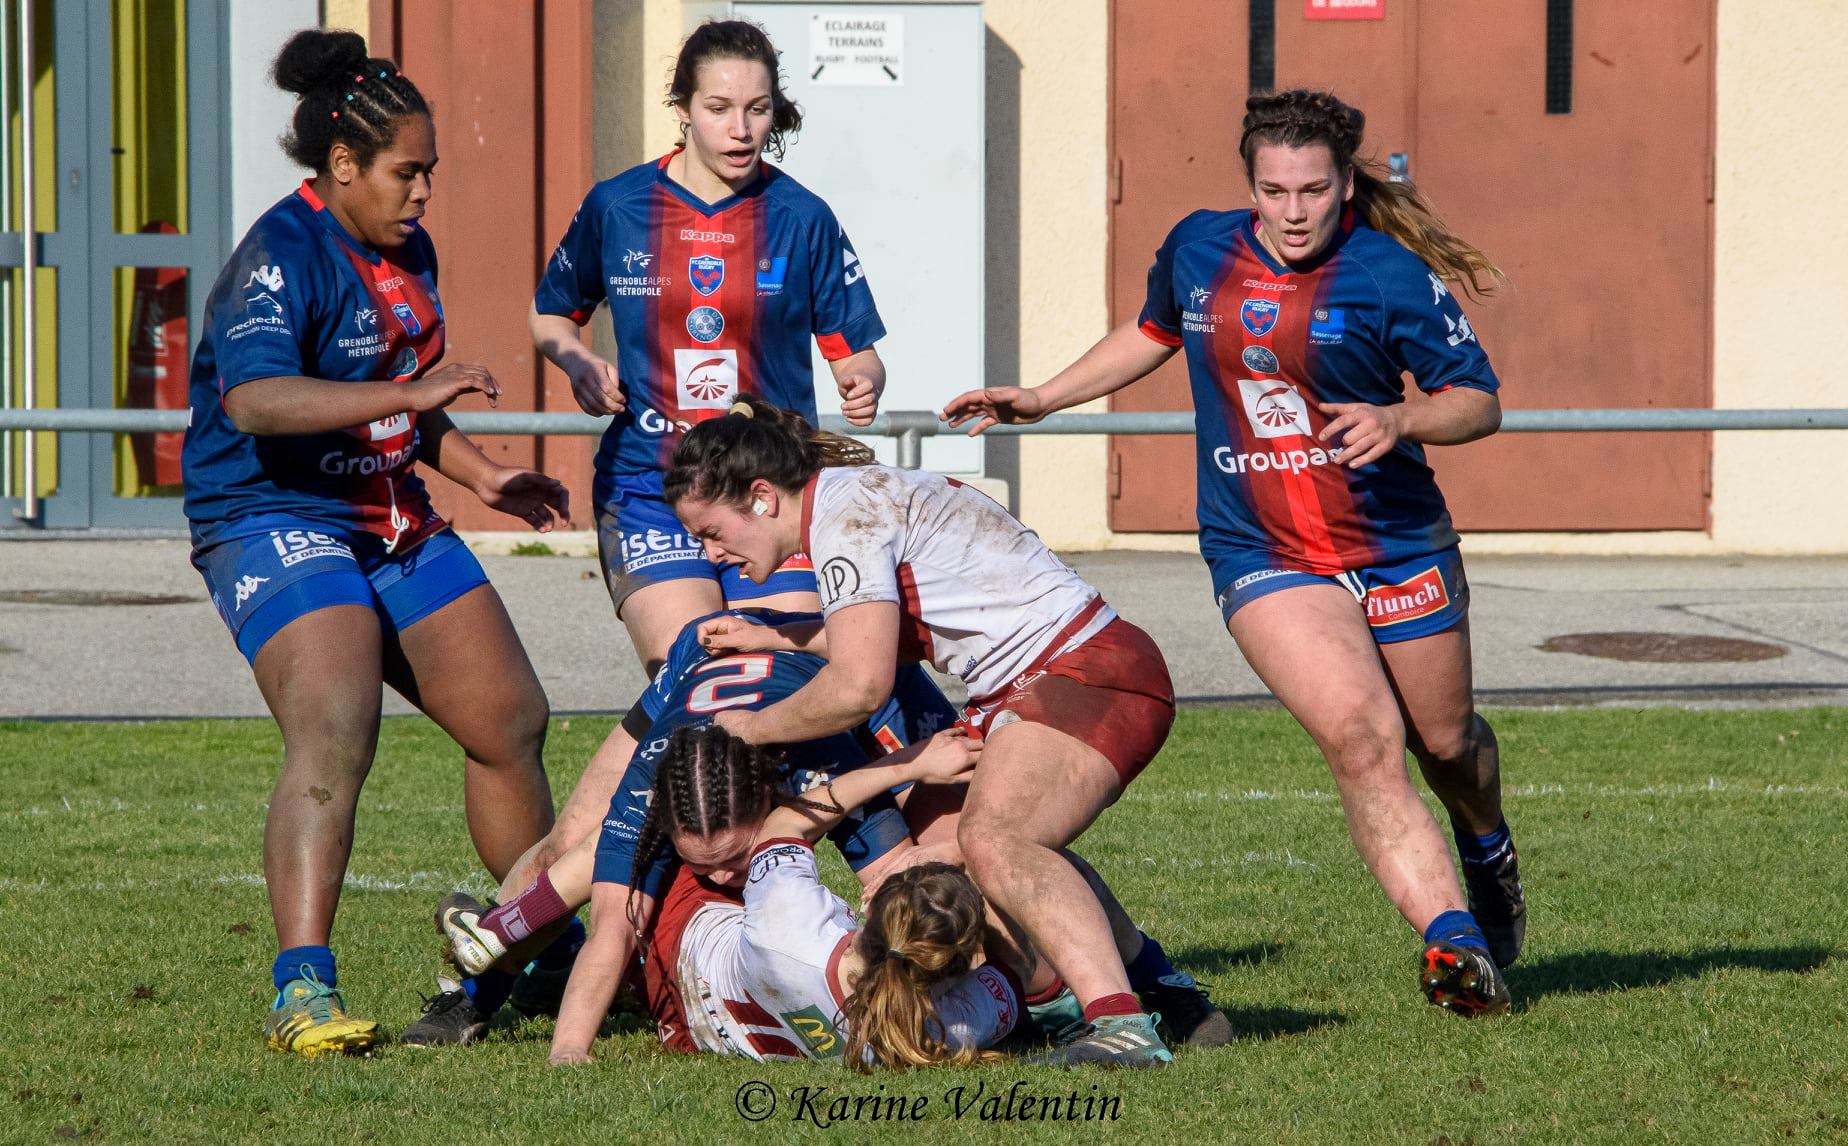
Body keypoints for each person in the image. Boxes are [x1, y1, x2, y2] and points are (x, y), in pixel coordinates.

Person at [941, 89, 1524, 1017]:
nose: (1293, 212)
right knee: (1361, 738)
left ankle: (1487, 846)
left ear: (1345, 184)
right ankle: (1453, 942)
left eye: (1313, 191)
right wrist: (1044, 397)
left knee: (1447, 745)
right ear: (1250, 184)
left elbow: (1478, 401)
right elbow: (1152, 332)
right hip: (1262, 549)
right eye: (1274, 191)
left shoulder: (1389, 274)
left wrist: (1401, 418)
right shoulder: (1200, 249)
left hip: (1394, 544)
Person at [180, 29, 569, 1055]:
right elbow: (258, 401)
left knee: (509, 719)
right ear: (343, 164)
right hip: (271, 516)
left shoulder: (407, 251)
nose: (424, 191)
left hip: (387, 513)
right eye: (408, 172)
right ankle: (302, 991)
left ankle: (537, 944)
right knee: (336, 723)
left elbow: (408, 402)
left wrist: (484, 476)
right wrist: (411, 393)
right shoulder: (279, 257)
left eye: (429, 171)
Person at [668, 400, 1206, 1068]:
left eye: (711, 531)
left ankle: (1119, 1025)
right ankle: (1161, 992)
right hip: (1048, 676)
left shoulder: (845, 519)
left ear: (761, 497)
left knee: (995, 841)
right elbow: (879, 637)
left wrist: (749, 730)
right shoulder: (848, 502)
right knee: (958, 846)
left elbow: (858, 687)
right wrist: (777, 636)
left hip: (1083, 670)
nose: (709, 552)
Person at [528, 18, 888, 918]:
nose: (740, 128)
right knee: (696, 680)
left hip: (769, 503)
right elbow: (551, 312)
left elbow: (855, 346)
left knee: (789, 689)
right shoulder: (618, 206)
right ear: (682, 108)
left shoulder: (801, 216)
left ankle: (728, 915)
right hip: (652, 493)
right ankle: (594, 911)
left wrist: (861, 377)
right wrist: (575, 362)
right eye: (720, 107)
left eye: (758, 109)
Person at [416, 609, 959, 1052]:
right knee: (574, 845)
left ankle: (1006, 985)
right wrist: (569, 1051)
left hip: (822, 666)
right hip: (697, 663)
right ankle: (477, 989)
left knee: (933, 852)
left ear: (769, 798)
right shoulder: (649, 789)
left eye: (734, 856)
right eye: (700, 861)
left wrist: (914, 765)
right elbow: (612, 933)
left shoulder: (819, 763)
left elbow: (897, 878)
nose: (720, 877)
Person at [624, 724, 1023, 1065]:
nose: (724, 873)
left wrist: (912, 767)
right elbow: (1017, 969)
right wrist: (977, 859)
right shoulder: (934, 1034)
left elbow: (785, 823)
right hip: (693, 1022)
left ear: (869, 903)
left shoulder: (787, 917)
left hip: (679, 937)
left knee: (625, 848)